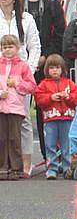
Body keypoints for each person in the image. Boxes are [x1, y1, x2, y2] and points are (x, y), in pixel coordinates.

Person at [21, 0, 66, 162]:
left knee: (44, 111)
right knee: (19, 111)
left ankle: (50, 156)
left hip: (45, 65)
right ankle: (18, 157)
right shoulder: (17, 3)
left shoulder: (53, 5)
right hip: (20, 66)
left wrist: (44, 58)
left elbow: (59, 35)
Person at [0, 0, 41, 177]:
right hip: (0, 75)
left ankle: (25, 163)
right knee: (2, 123)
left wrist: (28, 71)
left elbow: (35, 47)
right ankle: (5, 164)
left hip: (21, 76)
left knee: (23, 121)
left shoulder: (26, 19)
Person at [34, 54, 77, 180]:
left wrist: (68, 97)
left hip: (67, 118)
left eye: (57, 67)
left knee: (67, 145)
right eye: (51, 68)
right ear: (47, 70)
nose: (54, 70)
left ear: (62, 69)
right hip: (50, 119)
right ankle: (51, 168)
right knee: (50, 144)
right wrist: (50, 98)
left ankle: (67, 167)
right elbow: (39, 100)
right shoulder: (43, 85)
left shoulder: (69, 84)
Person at [0, 35, 36, 180]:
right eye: (4, 47)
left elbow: (31, 86)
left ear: (17, 48)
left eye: (10, 47)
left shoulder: (23, 65)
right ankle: (3, 168)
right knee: (2, 138)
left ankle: (16, 168)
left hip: (16, 108)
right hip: (1, 107)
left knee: (15, 139)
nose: (7, 50)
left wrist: (17, 84)